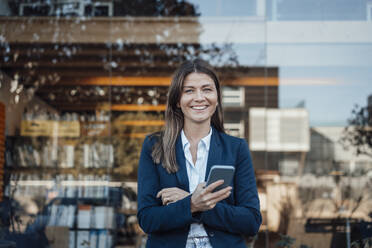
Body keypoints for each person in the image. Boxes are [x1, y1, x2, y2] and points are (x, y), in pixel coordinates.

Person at [137, 59, 261, 248]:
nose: (199, 97)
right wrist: (191, 204)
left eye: (207, 89)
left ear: (217, 98)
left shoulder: (236, 148)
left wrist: (196, 204)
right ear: (178, 101)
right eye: (189, 91)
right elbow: (147, 219)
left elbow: (251, 221)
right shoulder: (154, 147)